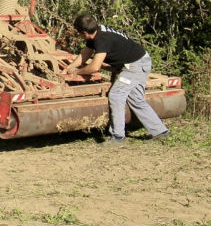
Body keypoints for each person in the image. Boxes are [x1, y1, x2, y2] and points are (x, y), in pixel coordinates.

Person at [70, 13, 171, 144]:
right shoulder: (95, 32)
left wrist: (77, 72)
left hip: (135, 66)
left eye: (79, 33)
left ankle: (117, 137)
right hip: (139, 61)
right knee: (136, 99)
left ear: (84, 32)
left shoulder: (102, 39)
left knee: (116, 95)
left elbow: (95, 67)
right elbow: (85, 54)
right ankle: (161, 132)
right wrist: (69, 68)